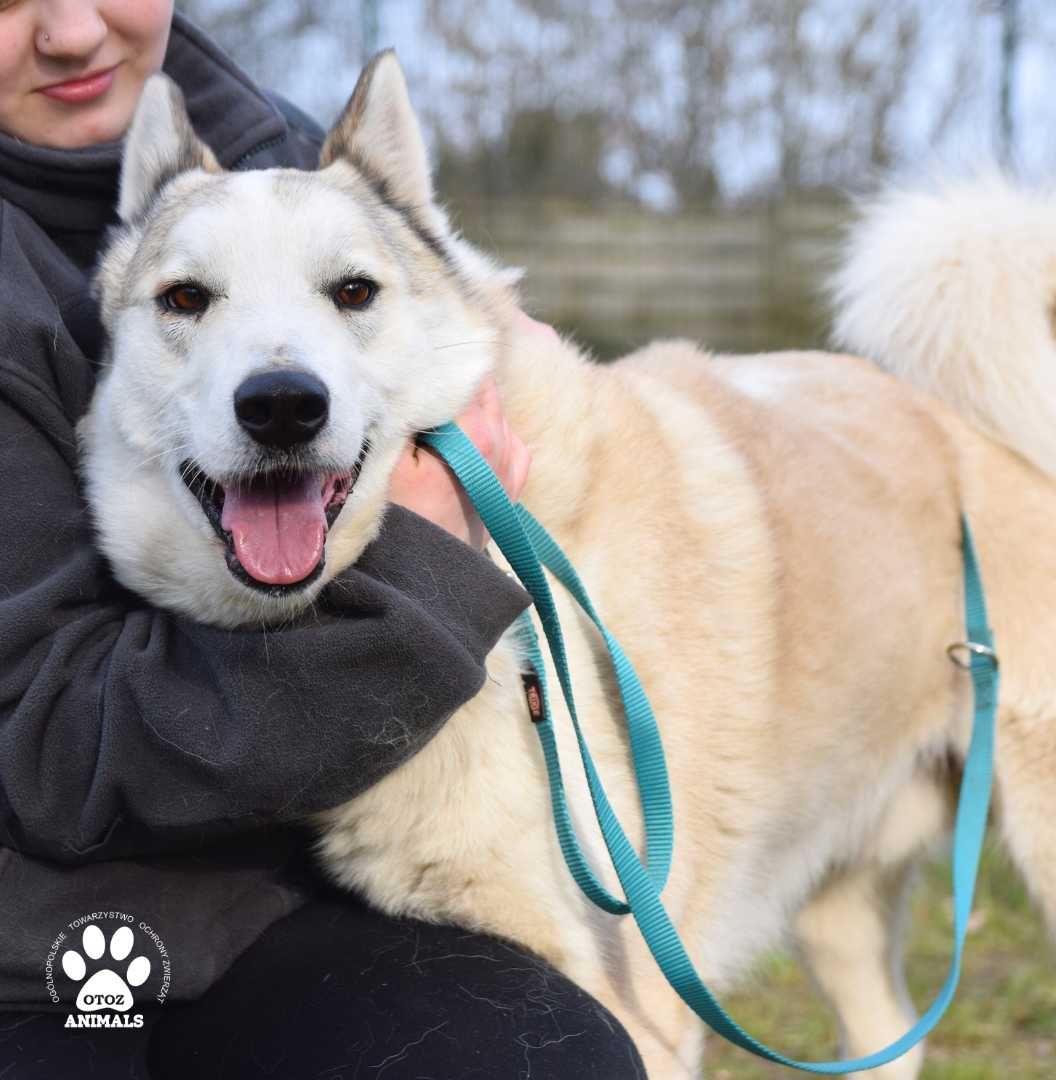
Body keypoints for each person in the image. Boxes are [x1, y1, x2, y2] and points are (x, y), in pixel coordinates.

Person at [0, 3, 646, 1077]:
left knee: (550, 1058)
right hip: (34, 962)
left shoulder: (283, 145)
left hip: (278, 909)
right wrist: (425, 560)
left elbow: (462, 323)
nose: (73, 31)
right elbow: (53, 753)